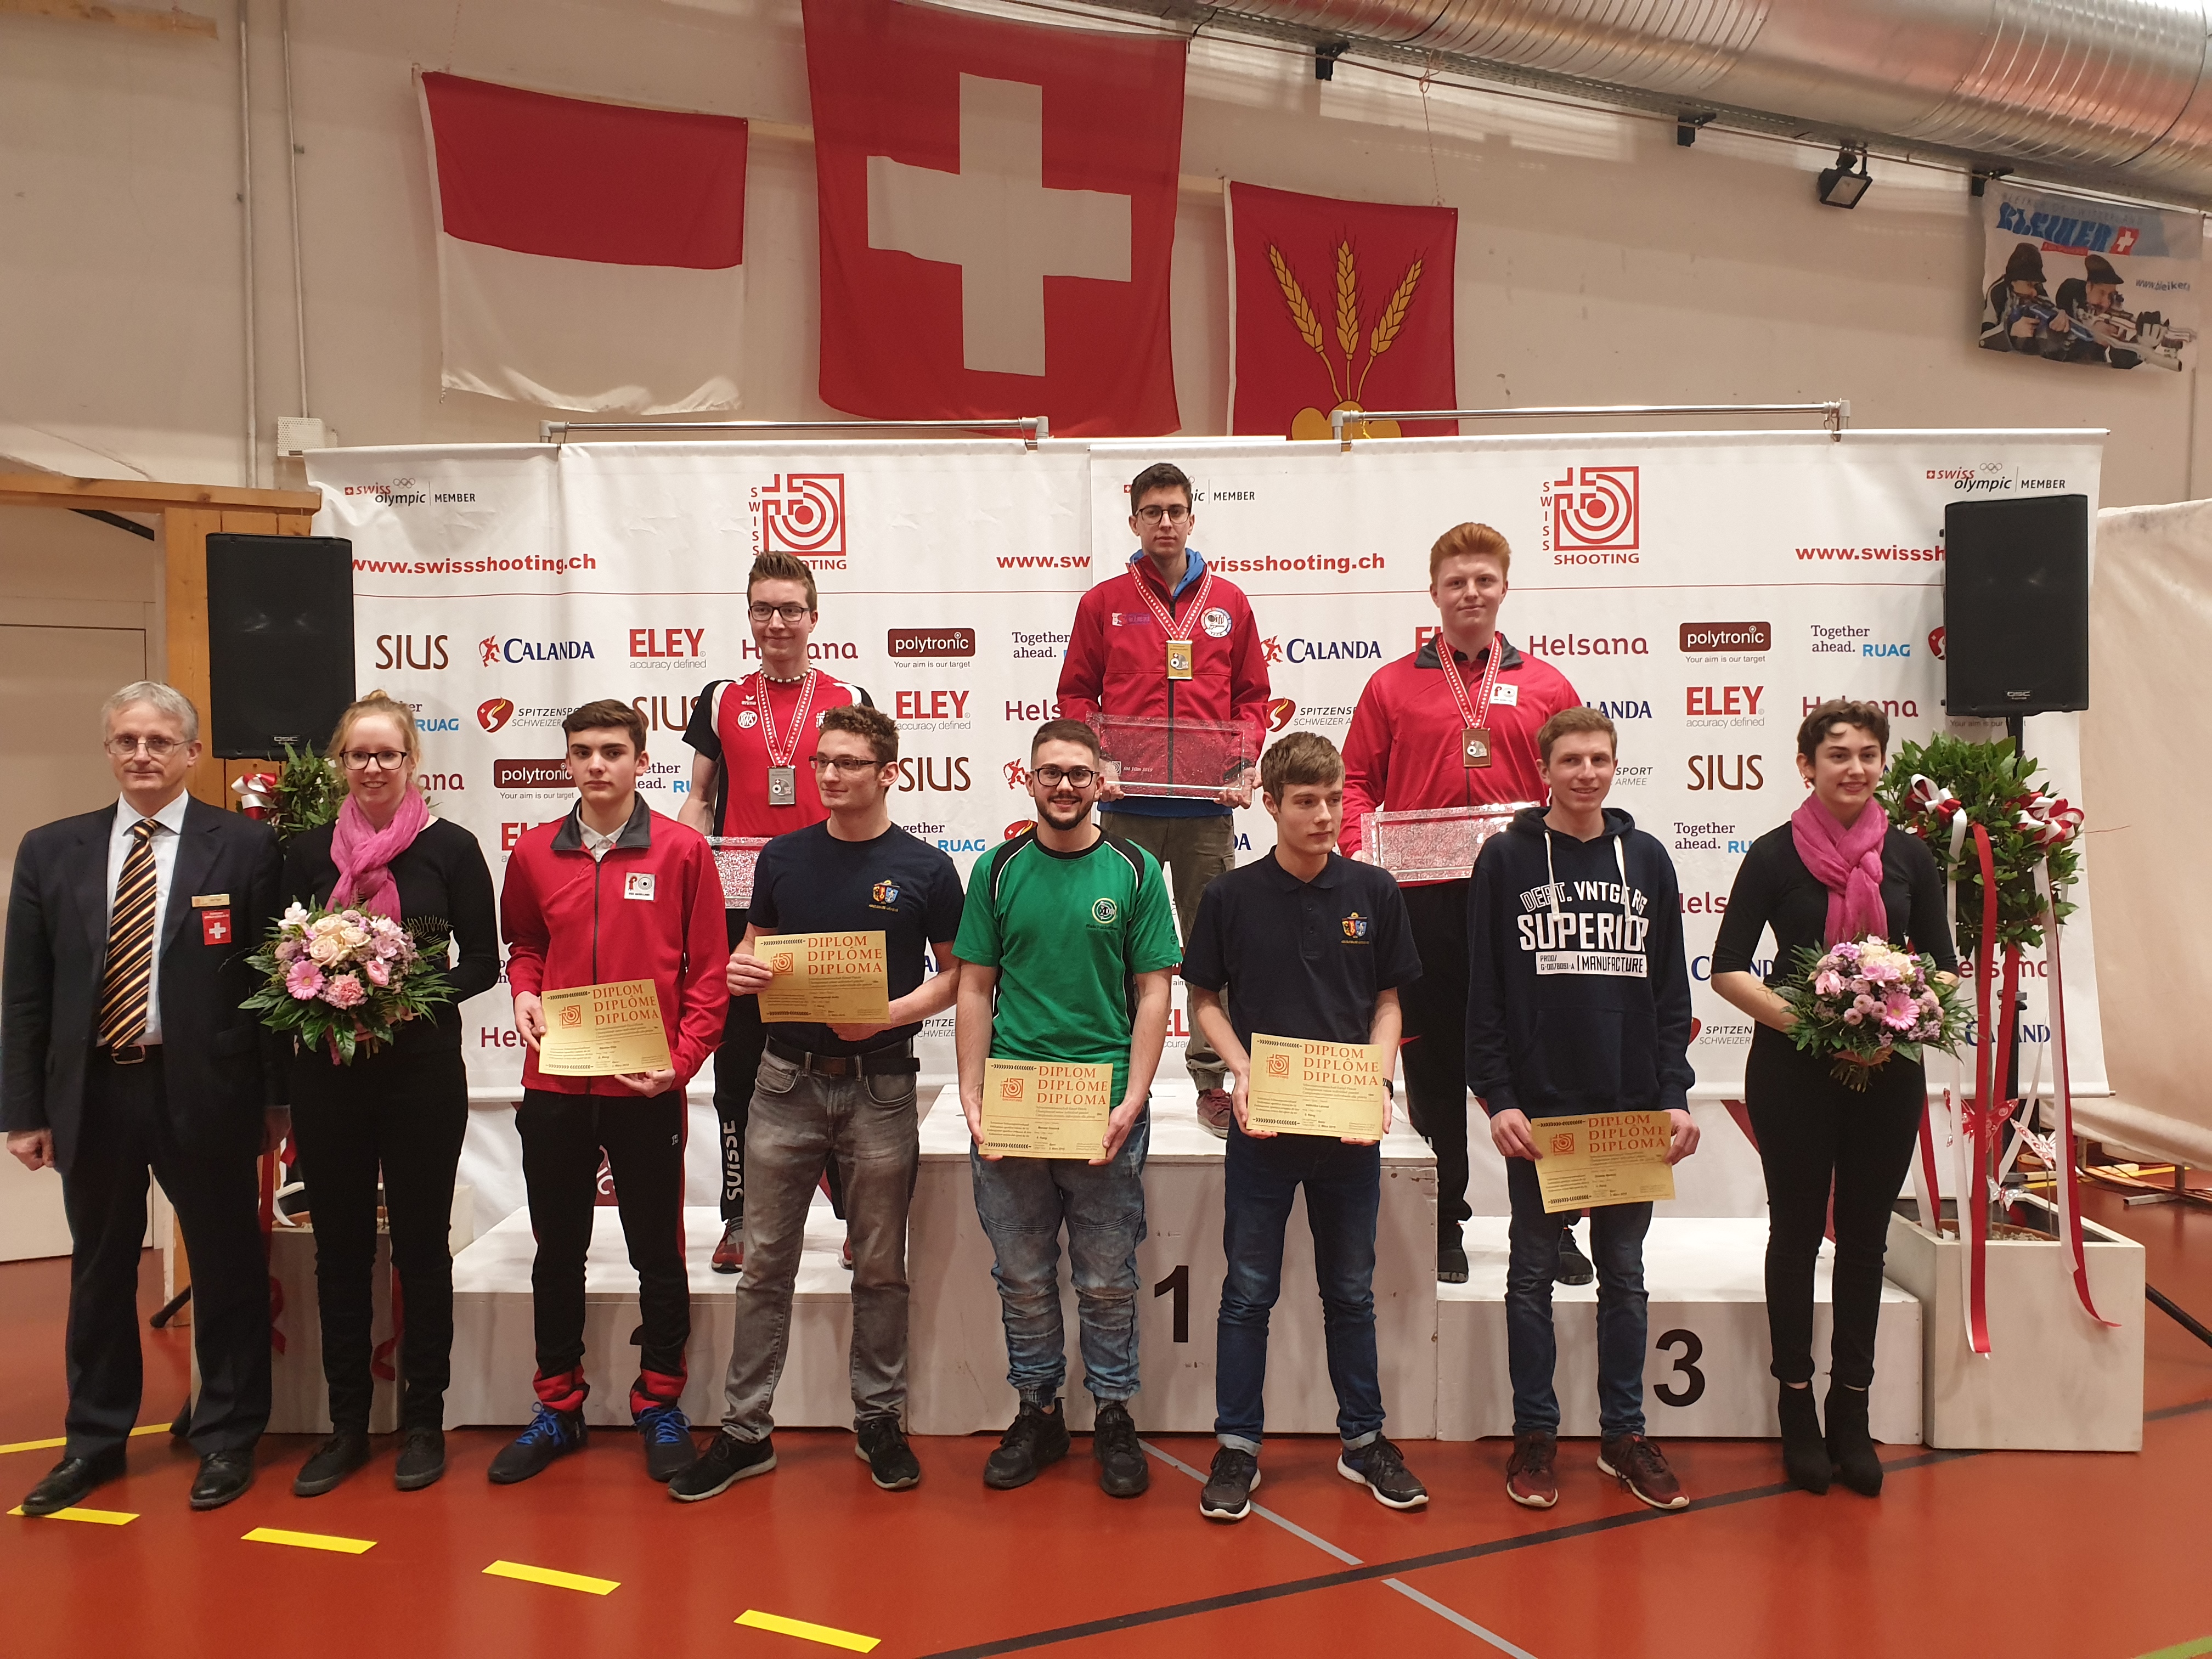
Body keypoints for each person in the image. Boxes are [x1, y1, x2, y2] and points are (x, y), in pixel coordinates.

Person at [3, 681, 285, 1514]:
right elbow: (25, 991)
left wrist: (276, 1103)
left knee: (227, 1267)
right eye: (126, 740)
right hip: (93, 1092)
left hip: (208, 1091)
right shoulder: (50, 850)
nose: (141, 755)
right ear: (108, 750)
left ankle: (228, 1436)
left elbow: (271, 985)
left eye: (160, 741)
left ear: (192, 753)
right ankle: (93, 1443)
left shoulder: (245, 847)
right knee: (99, 1273)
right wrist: (24, 1110)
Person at [672, 704, 963, 1502]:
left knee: (880, 1266)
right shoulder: (783, 857)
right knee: (765, 1264)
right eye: (821, 762)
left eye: (848, 763)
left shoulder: (929, 868)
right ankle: (744, 1431)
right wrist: (740, 970)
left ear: (888, 773)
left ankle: (879, 1420)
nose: (830, 775)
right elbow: (754, 949)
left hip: (882, 1085)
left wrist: (889, 1014)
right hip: (784, 1082)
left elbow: (959, 978)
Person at [1710, 699, 1955, 1498]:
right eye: (1838, 754)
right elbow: (1727, 966)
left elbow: (1945, 965)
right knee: (1794, 1233)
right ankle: (1796, 1402)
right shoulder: (1773, 856)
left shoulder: (1911, 856)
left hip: (1889, 1069)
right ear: (1806, 765)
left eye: (1868, 755)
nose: (1854, 768)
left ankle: (1853, 1405)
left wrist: (1903, 1014)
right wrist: (1816, 1025)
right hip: (1794, 1071)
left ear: (1883, 763)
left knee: (1865, 1241)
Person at [1182, 731, 1429, 1521]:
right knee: (1247, 1293)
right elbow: (1204, 1001)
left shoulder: (1375, 890)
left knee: (1351, 1292)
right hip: (1264, 1128)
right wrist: (1241, 1069)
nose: (1324, 816)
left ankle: (1364, 1440)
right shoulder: (1230, 896)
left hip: (1347, 1129)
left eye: (1332, 799)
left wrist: (1379, 1080)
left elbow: (1389, 1001)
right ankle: (1237, 1446)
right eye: (1306, 802)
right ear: (1271, 804)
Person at [1466, 708, 1700, 1514]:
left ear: (1615, 765)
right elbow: (1485, 992)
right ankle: (1536, 1434)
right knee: (1531, 1275)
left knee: (1625, 1277)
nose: (1587, 773)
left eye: (1600, 759)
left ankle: (1623, 1435)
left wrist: (1674, 1096)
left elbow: (1671, 994)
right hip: (1542, 1114)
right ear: (1544, 770)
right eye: (1571, 760)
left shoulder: (1650, 858)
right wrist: (1498, 1097)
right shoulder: (1505, 858)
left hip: (1629, 1110)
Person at [493, 699, 730, 1485]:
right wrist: (525, 992)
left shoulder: (683, 850)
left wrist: (682, 1063)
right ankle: (557, 1405)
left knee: (657, 1252)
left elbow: (709, 972)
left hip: (646, 1084)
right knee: (557, 1251)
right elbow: (525, 944)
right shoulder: (533, 851)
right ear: (568, 761)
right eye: (583, 751)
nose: (597, 764)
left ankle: (659, 1400)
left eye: (613, 751)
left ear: (641, 761)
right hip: (556, 1080)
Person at [1340, 522, 1581, 1283]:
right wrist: (1363, 859)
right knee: (1436, 1064)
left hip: (1525, 899)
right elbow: (1355, 783)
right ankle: (1444, 1219)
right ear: (1434, 592)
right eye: (1456, 582)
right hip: (1424, 906)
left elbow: (1574, 781)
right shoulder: (1390, 686)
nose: (1470, 593)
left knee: (1541, 1059)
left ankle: (1556, 1223)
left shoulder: (1548, 686)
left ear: (1505, 588)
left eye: (1484, 580)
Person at [280, 692, 499, 1497]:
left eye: (388, 754)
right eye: (358, 754)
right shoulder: (307, 852)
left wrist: (406, 995)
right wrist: (319, 985)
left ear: (412, 761)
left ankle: (424, 1422)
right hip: (328, 1079)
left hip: (421, 1077)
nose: (373, 767)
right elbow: (279, 961)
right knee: (339, 1251)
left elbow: (484, 962)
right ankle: (346, 1427)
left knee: (420, 1248)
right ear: (340, 762)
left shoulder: (451, 849)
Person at [954, 719, 1178, 1498]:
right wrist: (973, 1092)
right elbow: (974, 986)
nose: (1064, 786)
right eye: (1050, 772)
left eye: (1079, 774)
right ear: (1029, 780)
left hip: (1103, 1105)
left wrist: (1135, 1096)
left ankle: (1114, 1413)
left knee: (1108, 1278)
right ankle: (1039, 1411)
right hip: (1015, 1103)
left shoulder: (1136, 870)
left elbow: (1155, 990)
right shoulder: (996, 870)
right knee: (1022, 1276)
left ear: (1101, 782)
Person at [1057, 461, 1270, 1137]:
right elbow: (1076, 694)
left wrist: (1243, 761)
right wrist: (1098, 758)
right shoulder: (1104, 603)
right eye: (1152, 512)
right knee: (1116, 945)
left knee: (1214, 948)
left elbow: (1253, 699)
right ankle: (1117, 1075)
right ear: (1134, 522)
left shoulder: (1230, 601)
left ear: (1192, 517)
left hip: (1207, 811)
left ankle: (1213, 1080)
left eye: (1176, 510)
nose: (1165, 522)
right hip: (1128, 807)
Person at [680, 551, 869, 1272]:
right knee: (740, 1060)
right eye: (764, 609)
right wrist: (681, 880)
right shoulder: (721, 697)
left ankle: (855, 1215)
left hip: (828, 890)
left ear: (814, 618)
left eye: (791, 609)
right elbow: (699, 800)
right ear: (750, 617)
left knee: (842, 1054)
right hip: (738, 898)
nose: (777, 622)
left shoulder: (849, 696)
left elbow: (866, 797)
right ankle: (739, 1215)